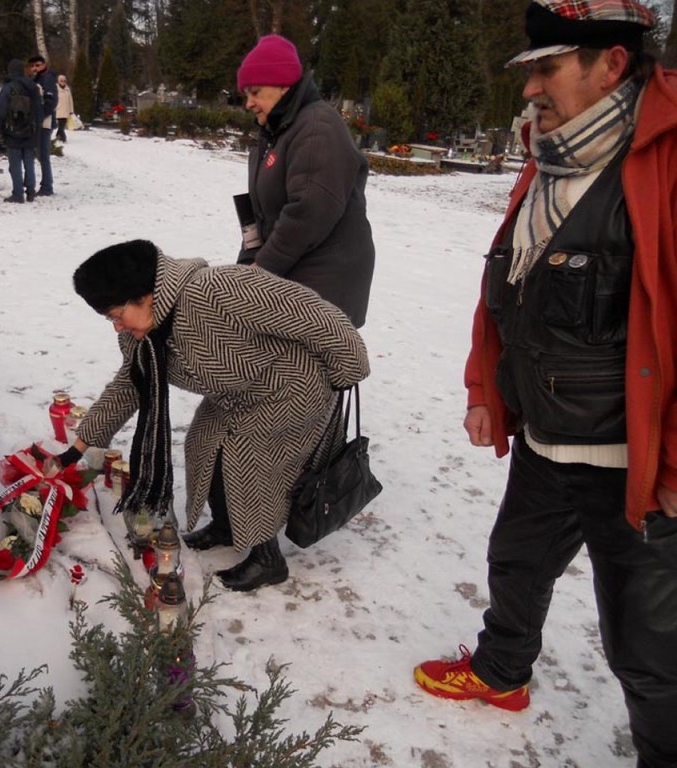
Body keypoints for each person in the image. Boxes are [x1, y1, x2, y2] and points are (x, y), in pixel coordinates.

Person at [412, 2, 677, 765]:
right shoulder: (553, 154)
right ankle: (501, 674)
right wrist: (483, 387)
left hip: (639, 463)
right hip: (546, 436)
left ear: (612, 64)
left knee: (650, 650)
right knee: (516, 562)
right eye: (530, 70)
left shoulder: (663, 160)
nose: (530, 89)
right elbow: (509, 284)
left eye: (547, 68)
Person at [53, 239, 369, 592]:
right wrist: (78, 446)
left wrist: (349, 368)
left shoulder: (217, 289)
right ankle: (226, 526)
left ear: (146, 296)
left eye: (115, 314)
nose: (116, 327)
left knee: (249, 459)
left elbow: (315, 315)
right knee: (203, 442)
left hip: (292, 385)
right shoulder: (143, 336)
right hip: (236, 394)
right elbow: (130, 384)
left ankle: (267, 559)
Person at [234, 35, 375, 329]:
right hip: (292, 275)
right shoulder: (276, 133)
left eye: (255, 92)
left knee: (319, 373)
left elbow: (309, 211)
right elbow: (259, 214)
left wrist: (262, 270)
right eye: (246, 94)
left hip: (325, 284)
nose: (249, 103)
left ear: (283, 85)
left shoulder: (316, 127)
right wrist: (243, 273)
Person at [0, 60, 42, 203]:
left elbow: (0, 110)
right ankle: (31, 191)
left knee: (15, 165)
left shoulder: (8, 88)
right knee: (29, 162)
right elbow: (39, 110)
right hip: (30, 130)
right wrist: (37, 130)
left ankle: (18, 194)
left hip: (12, 131)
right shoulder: (33, 87)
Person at [29, 54, 58, 196]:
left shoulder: (47, 79)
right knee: (40, 154)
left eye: (37, 65)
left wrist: (40, 117)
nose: (35, 68)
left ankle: (47, 186)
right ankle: (46, 184)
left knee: (43, 154)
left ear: (44, 65)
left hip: (45, 123)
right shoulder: (37, 79)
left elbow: (51, 102)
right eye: (32, 65)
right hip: (40, 121)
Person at [55, 74, 74, 143]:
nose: (63, 82)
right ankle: (63, 138)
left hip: (66, 111)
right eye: (61, 80)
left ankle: (58, 136)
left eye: (64, 80)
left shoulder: (67, 89)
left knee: (62, 126)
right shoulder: (55, 88)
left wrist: (71, 110)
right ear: (58, 81)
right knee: (61, 126)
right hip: (58, 110)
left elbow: (70, 100)